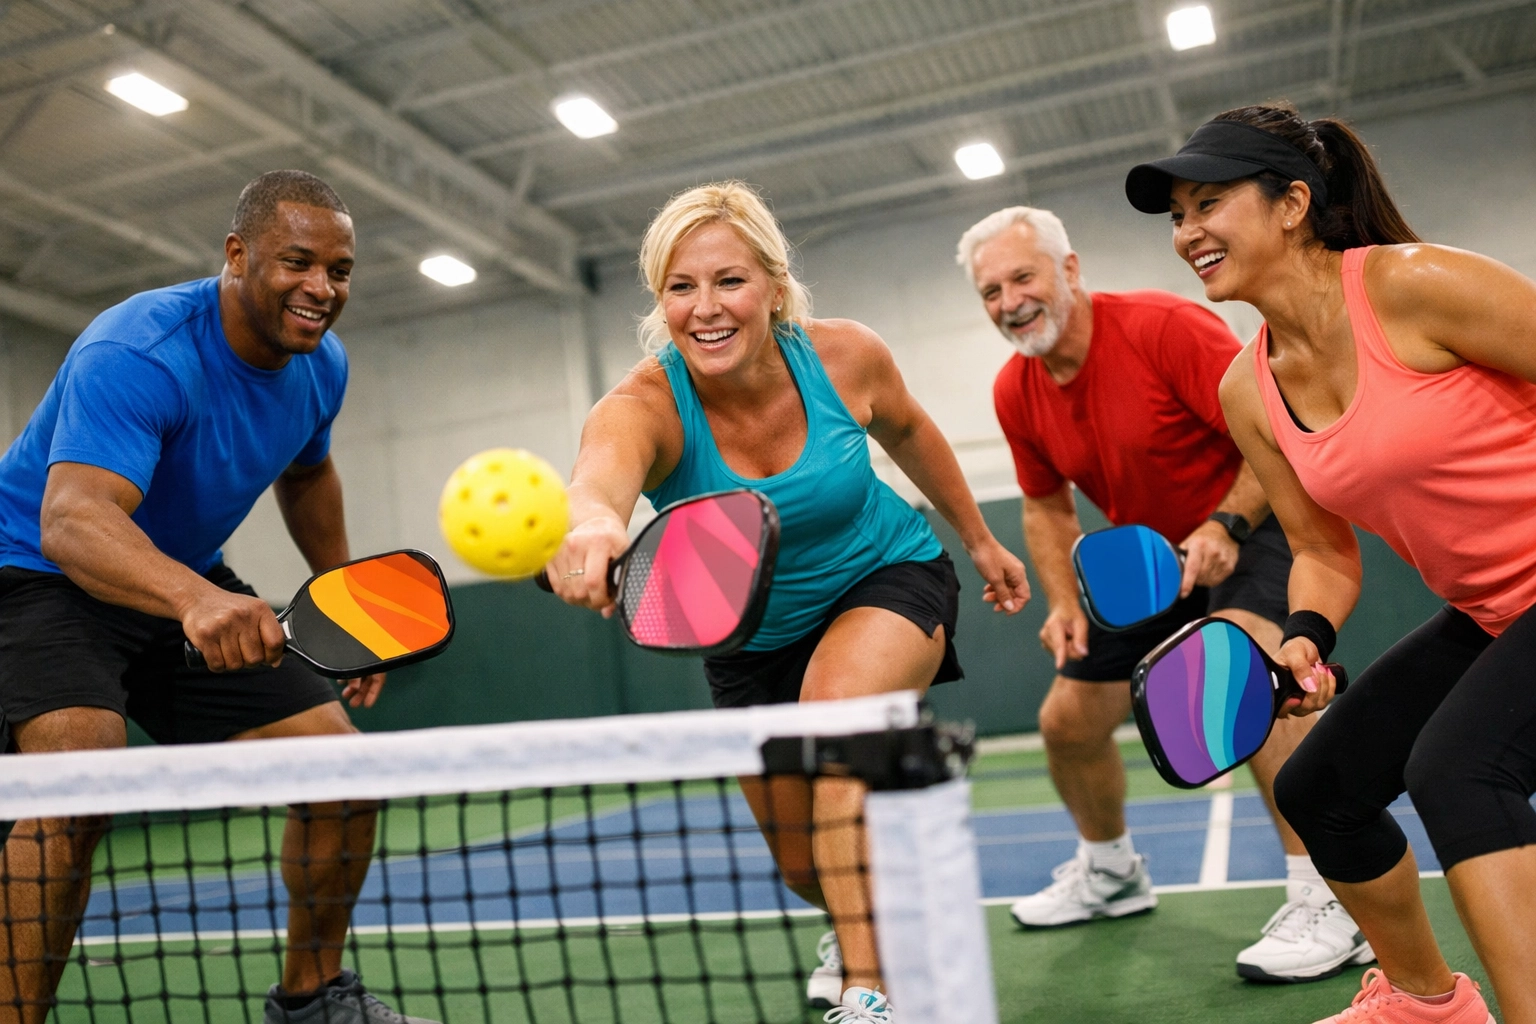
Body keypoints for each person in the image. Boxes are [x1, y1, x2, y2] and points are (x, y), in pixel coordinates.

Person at [544, 180, 1030, 1021]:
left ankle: (872, 993)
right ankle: (856, 918)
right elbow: (598, 480)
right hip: (749, 640)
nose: (705, 308)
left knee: (833, 730)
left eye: (729, 280)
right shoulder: (645, 405)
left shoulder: (845, 356)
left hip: (885, 577)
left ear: (773, 285)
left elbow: (910, 430)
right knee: (804, 866)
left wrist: (979, 539)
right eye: (681, 287)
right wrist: (590, 526)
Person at [1126, 102, 1536, 1023]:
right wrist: (1304, 638)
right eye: (1178, 217)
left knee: (1459, 771)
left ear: (1292, 204)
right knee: (1321, 791)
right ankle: (1428, 1006)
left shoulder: (1415, 285)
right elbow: (1319, 549)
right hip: (1492, 613)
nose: (1187, 233)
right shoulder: (1248, 387)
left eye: (1208, 204)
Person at [0, 171, 431, 1024]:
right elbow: (72, 520)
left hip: (181, 574)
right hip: (39, 578)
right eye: (298, 262)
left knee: (344, 774)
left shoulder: (321, 366)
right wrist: (194, 600)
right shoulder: (140, 350)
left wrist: (349, 600)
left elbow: (308, 474)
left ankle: (312, 1002)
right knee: (76, 788)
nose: (322, 288)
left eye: (340, 270)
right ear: (237, 254)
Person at [958, 206, 1369, 982]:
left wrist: (1226, 524)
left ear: (1069, 270)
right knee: (1067, 723)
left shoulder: (1163, 329)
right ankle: (1112, 873)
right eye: (990, 291)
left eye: (1022, 278)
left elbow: (1271, 428)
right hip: (1150, 563)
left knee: (1251, 681)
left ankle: (1333, 895)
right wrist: (1064, 602)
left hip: (1263, 524)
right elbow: (1044, 506)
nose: (1009, 301)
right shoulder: (1016, 390)